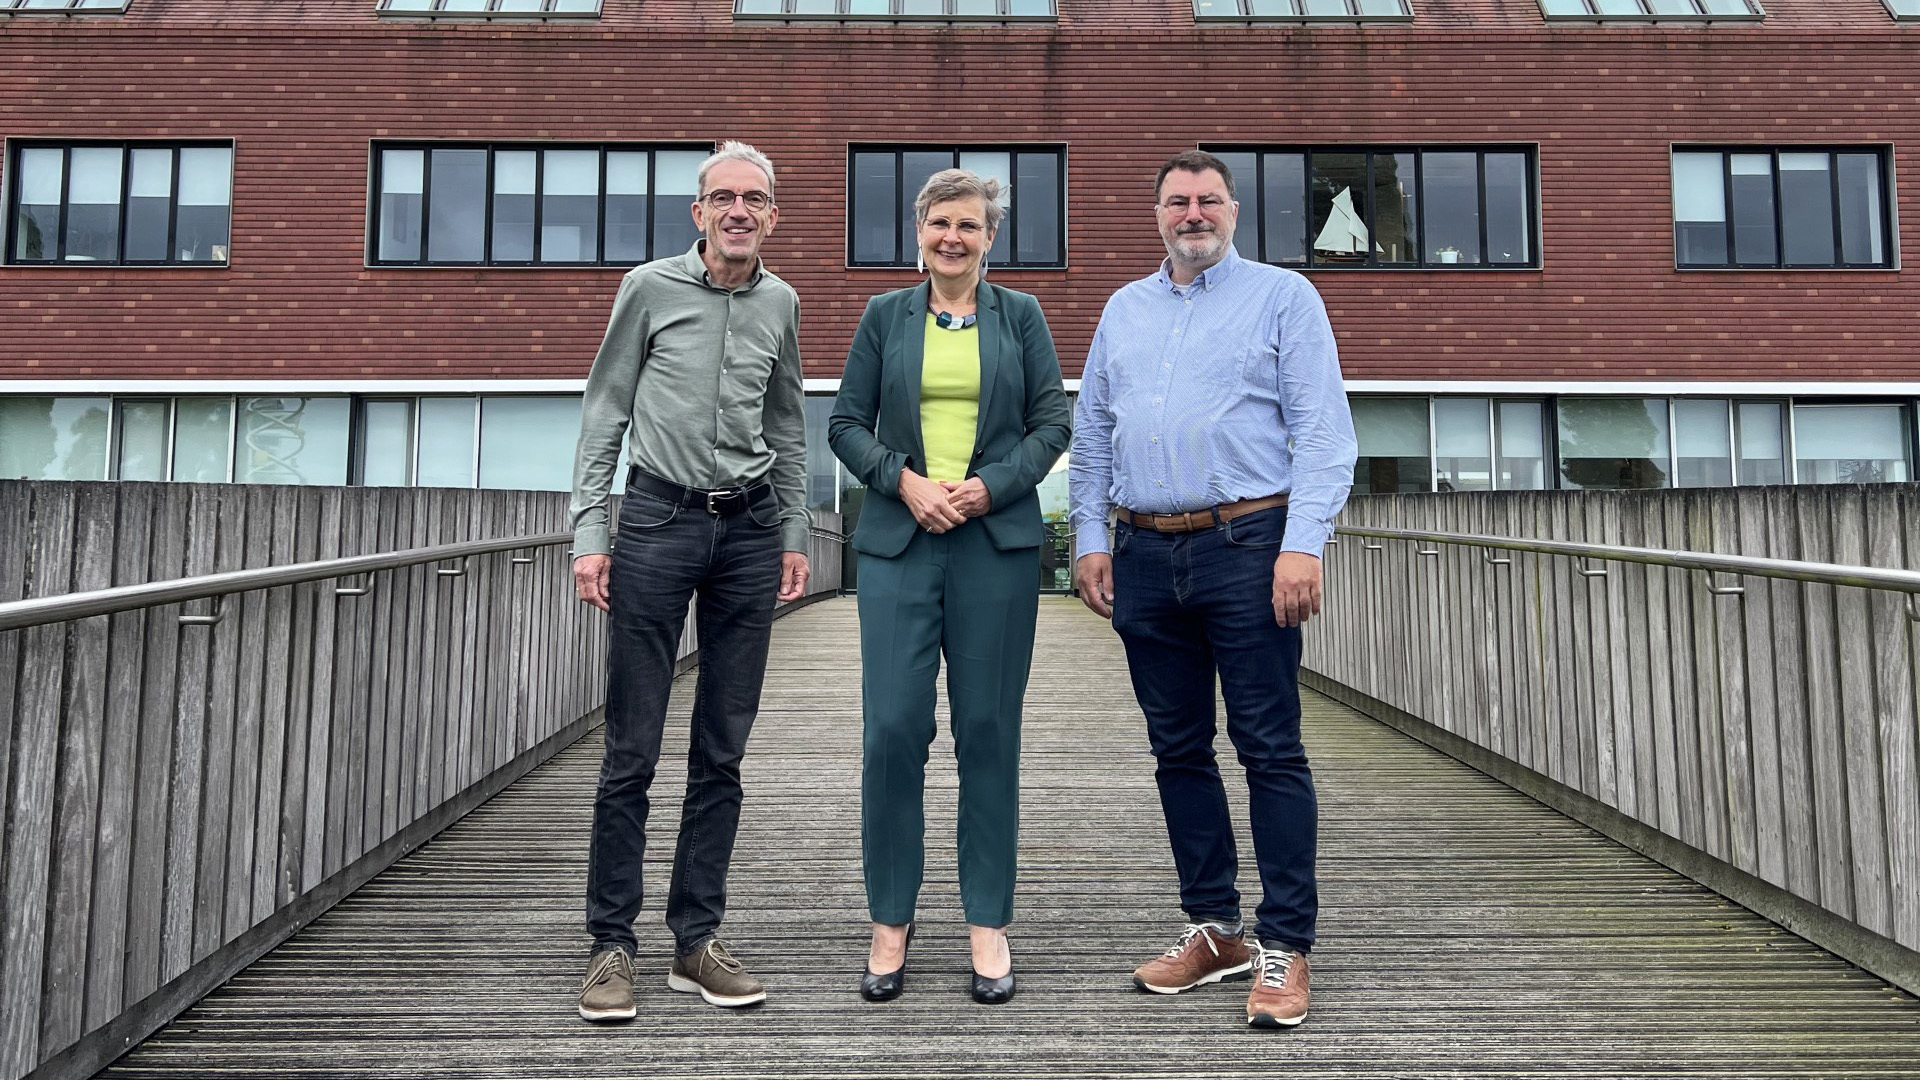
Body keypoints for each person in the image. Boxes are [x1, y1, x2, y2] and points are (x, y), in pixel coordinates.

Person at [1067, 150, 1357, 1030]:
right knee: (1178, 750)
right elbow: (1093, 437)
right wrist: (1089, 540)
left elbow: (1323, 434)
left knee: (1269, 745)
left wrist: (1302, 545)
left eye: (1208, 201)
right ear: (1155, 214)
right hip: (1146, 553)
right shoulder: (1124, 309)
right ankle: (1216, 928)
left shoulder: (1283, 296)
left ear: (1233, 211)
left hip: (1250, 543)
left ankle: (1285, 943)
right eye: (1177, 202)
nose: (1193, 214)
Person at [568, 141, 810, 1022]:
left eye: (755, 197)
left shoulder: (781, 300)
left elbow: (786, 421)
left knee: (723, 749)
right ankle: (610, 946)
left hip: (748, 532)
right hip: (656, 525)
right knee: (632, 748)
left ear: (773, 214)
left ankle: (695, 940)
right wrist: (591, 533)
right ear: (699, 212)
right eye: (723, 197)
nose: (739, 210)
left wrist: (790, 529)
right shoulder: (648, 289)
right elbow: (605, 410)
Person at [829, 168, 1071, 1006]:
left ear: (990, 236)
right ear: (920, 231)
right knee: (892, 730)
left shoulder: (1024, 317)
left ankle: (986, 921)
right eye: (939, 224)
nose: (953, 238)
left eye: (969, 225)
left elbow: (1053, 424)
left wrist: (988, 487)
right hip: (901, 542)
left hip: (993, 545)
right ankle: (890, 918)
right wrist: (904, 481)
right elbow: (844, 424)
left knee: (988, 731)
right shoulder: (882, 317)